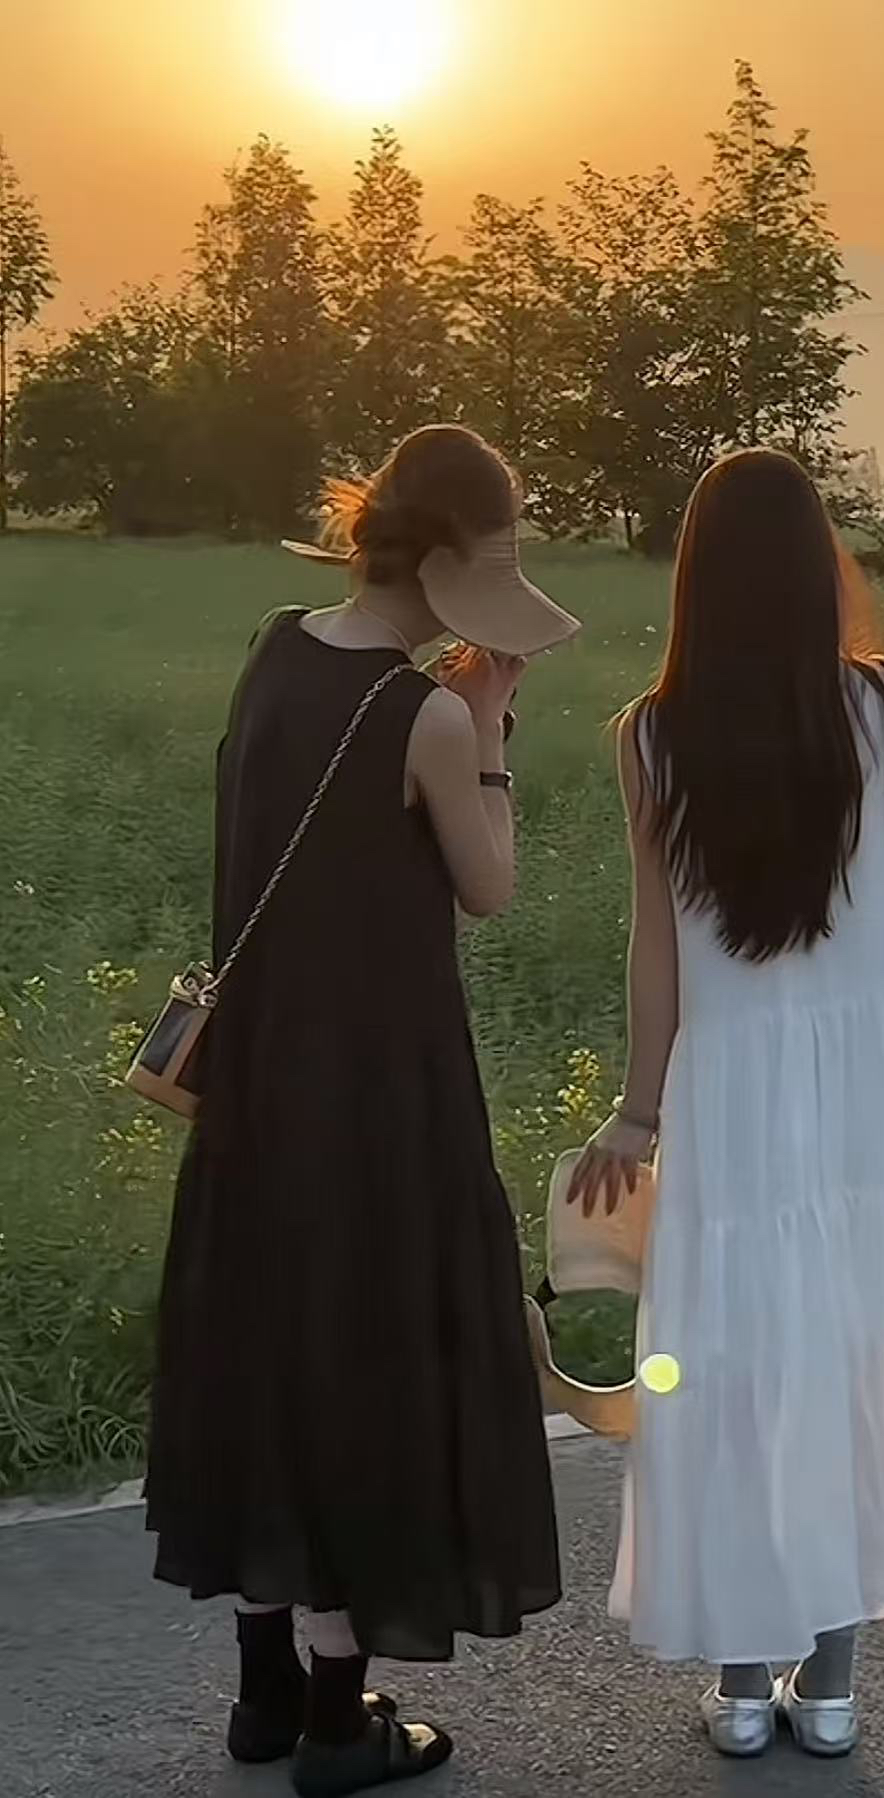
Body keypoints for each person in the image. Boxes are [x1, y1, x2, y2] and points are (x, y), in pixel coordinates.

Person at [146, 425, 577, 1797]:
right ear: (445, 562)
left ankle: (264, 1693)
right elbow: (490, 887)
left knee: (270, 1363)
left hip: (256, 1093)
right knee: (367, 1375)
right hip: (381, 1104)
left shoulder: (276, 648)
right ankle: (341, 1722)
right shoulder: (426, 717)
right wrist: (489, 728)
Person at [570, 448, 884, 1760]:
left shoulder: (649, 737)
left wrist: (637, 1110)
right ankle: (834, 1689)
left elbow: (657, 944)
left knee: (739, 1365)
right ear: (817, 568)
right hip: (876, 1082)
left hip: (732, 1085)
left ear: (695, 578)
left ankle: (745, 1688)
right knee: (860, 1349)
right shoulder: (877, 703)